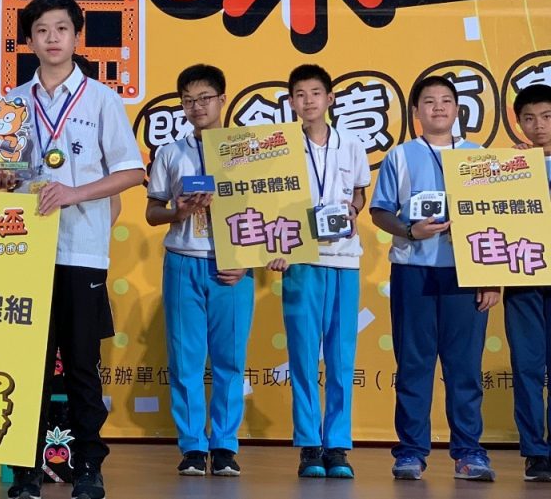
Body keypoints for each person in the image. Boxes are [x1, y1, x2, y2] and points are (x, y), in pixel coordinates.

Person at [5, 0, 145, 499]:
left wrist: (74, 192)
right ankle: (25, 470)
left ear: (76, 36)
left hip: (82, 251)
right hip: (23, 251)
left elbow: (132, 171)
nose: (52, 38)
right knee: (29, 367)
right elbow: (3, 173)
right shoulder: (12, 103)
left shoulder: (102, 100)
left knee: (83, 365)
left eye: (61, 28)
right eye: (41, 30)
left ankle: (89, 465)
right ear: (29, 39)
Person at [370, 75, 499, 481]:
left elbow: (496, 219)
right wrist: (411, 231)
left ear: (458, 108)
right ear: (416, 111)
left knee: (465, 368)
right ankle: (411, 452)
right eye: (429, 101)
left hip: (467, 273)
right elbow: (380, 211)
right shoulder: (400, 156)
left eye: (446, 100)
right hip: (413, 272)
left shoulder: (479, 157)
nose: (438, 107)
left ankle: (469, 452)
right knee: (413, 364)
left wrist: (492, 277)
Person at [145, 64, 253, 478]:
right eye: (188, 100)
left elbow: (270, 213)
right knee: (186, 360)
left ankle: (224, 446)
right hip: (183, 261)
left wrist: (247, 260)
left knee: (230, 359)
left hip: (233, 267)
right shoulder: (171, 153)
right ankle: (192, 446)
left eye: (205, 98)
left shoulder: (248, 151)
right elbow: (153, 211)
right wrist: (178, 211)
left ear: (223, 99)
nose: (197, 107)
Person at [265, 65, 369, 479]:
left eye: (315, 93)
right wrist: (275, 249)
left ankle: (338, 446)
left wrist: (354, 210)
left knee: (342, 357)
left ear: (330, 98)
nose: (307, 101)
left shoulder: (352, 144)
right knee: (304, 355)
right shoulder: (280, 148)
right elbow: (269, 204)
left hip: (344, 259)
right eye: (299, 94)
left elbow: (359, 192)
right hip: (300, 260)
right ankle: (310, 445)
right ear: (291, 101)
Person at [506, 83, 551, 481]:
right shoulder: (509, 168)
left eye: (548, 117)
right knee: (526, 368)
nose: (539, 126)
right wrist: (511, 172)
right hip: (524, 278)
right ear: (519, 122)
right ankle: (536, 452)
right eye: (530, 118)